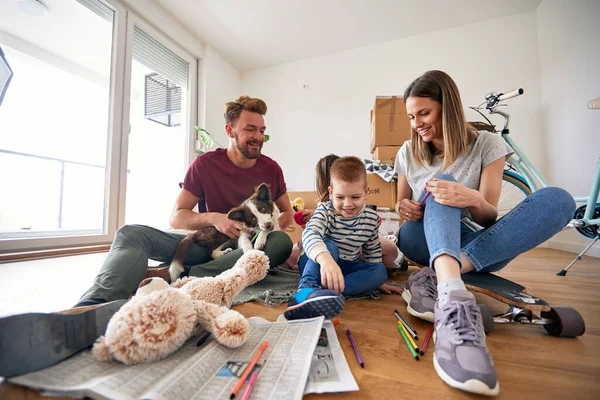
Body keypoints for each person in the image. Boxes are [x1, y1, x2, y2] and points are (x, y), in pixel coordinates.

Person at [0, 96, 294, 377]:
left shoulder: (272, 169)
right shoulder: (205, 165)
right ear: (230, 130)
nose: (258, 137)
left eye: (262, 131)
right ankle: (93, 308)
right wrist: (215, 219)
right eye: (250, 129)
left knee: (280, 243)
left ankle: (178, 277)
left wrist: (264, 227)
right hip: (203, 245)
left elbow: (288, 216)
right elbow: (178, 216)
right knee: (130, 233)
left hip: (240, 253)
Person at [395, 70, 575, 396]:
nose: (417, 123)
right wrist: (406, 208)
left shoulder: (487, 144)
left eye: (424, 113)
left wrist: (473, 198)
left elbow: (489, 216)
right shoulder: (408, 151)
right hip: (420, 237)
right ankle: (452, 290)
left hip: (476, 244)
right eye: (412, 116)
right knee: (442, 188)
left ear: (447, 107)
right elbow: (401, 204)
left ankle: (443, 277)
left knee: (558, 200)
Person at [284, 156, 389, 320]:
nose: (347, 204)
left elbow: (372, 250)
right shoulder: (325, 211)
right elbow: (310, 234)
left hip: (346, 265)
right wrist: (325, 260)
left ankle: (327, 291)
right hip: (316, 262)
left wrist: (376, 281)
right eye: (340, 197)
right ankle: (305, 292)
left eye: (355, 197)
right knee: (329, 245)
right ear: (331, 193)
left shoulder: (371, 218)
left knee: (380, 271)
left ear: (366, 193)